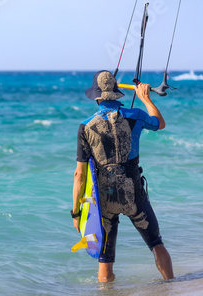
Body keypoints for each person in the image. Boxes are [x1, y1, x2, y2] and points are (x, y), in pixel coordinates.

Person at [71, 70, 174, 282]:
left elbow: (79, 175)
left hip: (104, 199)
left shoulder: (86, 127)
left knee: (105, 259)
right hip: (133, 194)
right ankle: (172, 287)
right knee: (156, 243)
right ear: (116, 93)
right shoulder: (135, 115)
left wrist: (76, 213)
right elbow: (159, 123)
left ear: (97, 97)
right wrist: (146, 98)